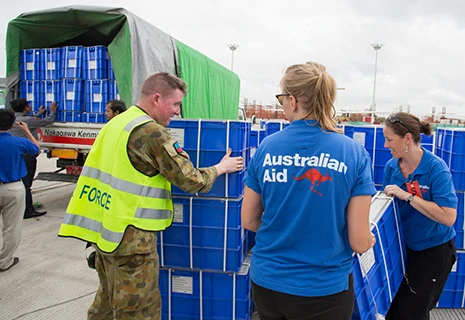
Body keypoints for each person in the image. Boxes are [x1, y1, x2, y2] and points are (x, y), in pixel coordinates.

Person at [58, 72, 244, 320]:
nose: (177, 111)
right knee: (139, 311)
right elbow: (190, 180)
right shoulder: (150, 132)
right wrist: (221, 168)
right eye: (176, 104)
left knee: (106, 303)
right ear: (157, 98)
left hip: (105, 235)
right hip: (132, 243)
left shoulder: (118, 123)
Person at [241, 61, 376, 320]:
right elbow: (359, 241)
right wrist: (367, 239)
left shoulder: (267, 148)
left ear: (292, 101)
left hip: (269, 283)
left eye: (281, 100)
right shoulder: (353, 153)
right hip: (323, 290)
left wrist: (286, 229)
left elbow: (248, 219)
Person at [383, 112, 457, 320]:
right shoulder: (391, 167)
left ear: (407, 138)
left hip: (433, 251)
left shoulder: (436, 169)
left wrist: (407, 196)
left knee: (412, 312)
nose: (385, 145)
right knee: (393, 310)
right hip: (403, 249)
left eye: (389, 140)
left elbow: (448, 216)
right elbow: (388, 209)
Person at [0, 109, 41, 272]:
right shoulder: (17, 142)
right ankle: (4, 261)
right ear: (11, 125)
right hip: (13, 188)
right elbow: (36, 150)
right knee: (11, 228)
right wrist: (26, 131)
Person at [9, 98, 58, 219]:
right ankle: (28, 210)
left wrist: (39, 114)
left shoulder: (12, 120)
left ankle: (17, 207)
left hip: (15, 156)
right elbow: (48, 121)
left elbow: (30, 120)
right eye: (28, 105)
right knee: (26, 183)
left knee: (17, 181)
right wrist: (52, 111)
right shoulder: (27, 120)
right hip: (27, 156)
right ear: (26, 108)